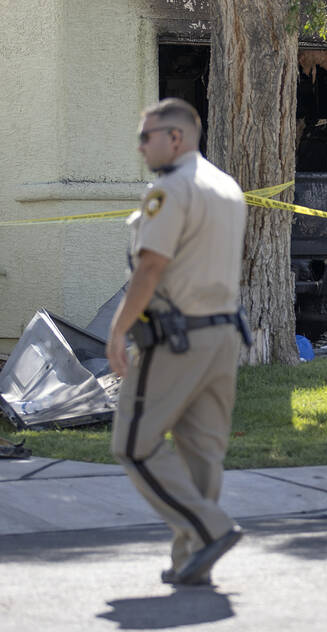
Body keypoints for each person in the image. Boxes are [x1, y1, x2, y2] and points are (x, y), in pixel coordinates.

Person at [106, 98, 250, 587]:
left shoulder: (171, 190)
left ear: (177, 137)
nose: (141, 146)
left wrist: (118, 330)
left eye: (146, 137)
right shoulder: (227, 187)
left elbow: (151, 267)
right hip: (224, 335)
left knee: (134, 443)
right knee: (201, 453)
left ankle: (209, 531)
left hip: (176, 338)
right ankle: (192, 559)